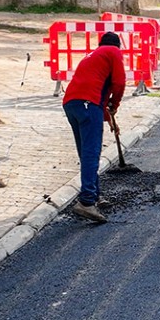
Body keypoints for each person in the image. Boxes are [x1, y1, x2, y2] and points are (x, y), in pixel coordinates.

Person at [62, 31, 126, 225]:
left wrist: (109, 118)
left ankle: (95, 195)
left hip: (72, 104)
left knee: (85, 152)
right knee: (92, 153)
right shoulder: (113, 52)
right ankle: (87, 201)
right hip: (88, 104)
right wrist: (115, 104)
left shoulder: (93, 56)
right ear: (117, 46)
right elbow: (119, 83)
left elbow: (97, 93)